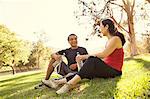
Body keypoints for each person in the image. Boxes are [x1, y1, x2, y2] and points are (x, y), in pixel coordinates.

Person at [54, 18, 126, 94]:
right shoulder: (109, 41)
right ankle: (58, 82)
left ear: (106, 27)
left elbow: (103, 55)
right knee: (86, 70)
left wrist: (84, 56)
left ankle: (69, 84)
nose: (100, 29)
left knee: (92, 59)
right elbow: (107, 58)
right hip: (108, 68)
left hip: (115, 71)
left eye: (101, 27)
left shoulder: (115, 39)